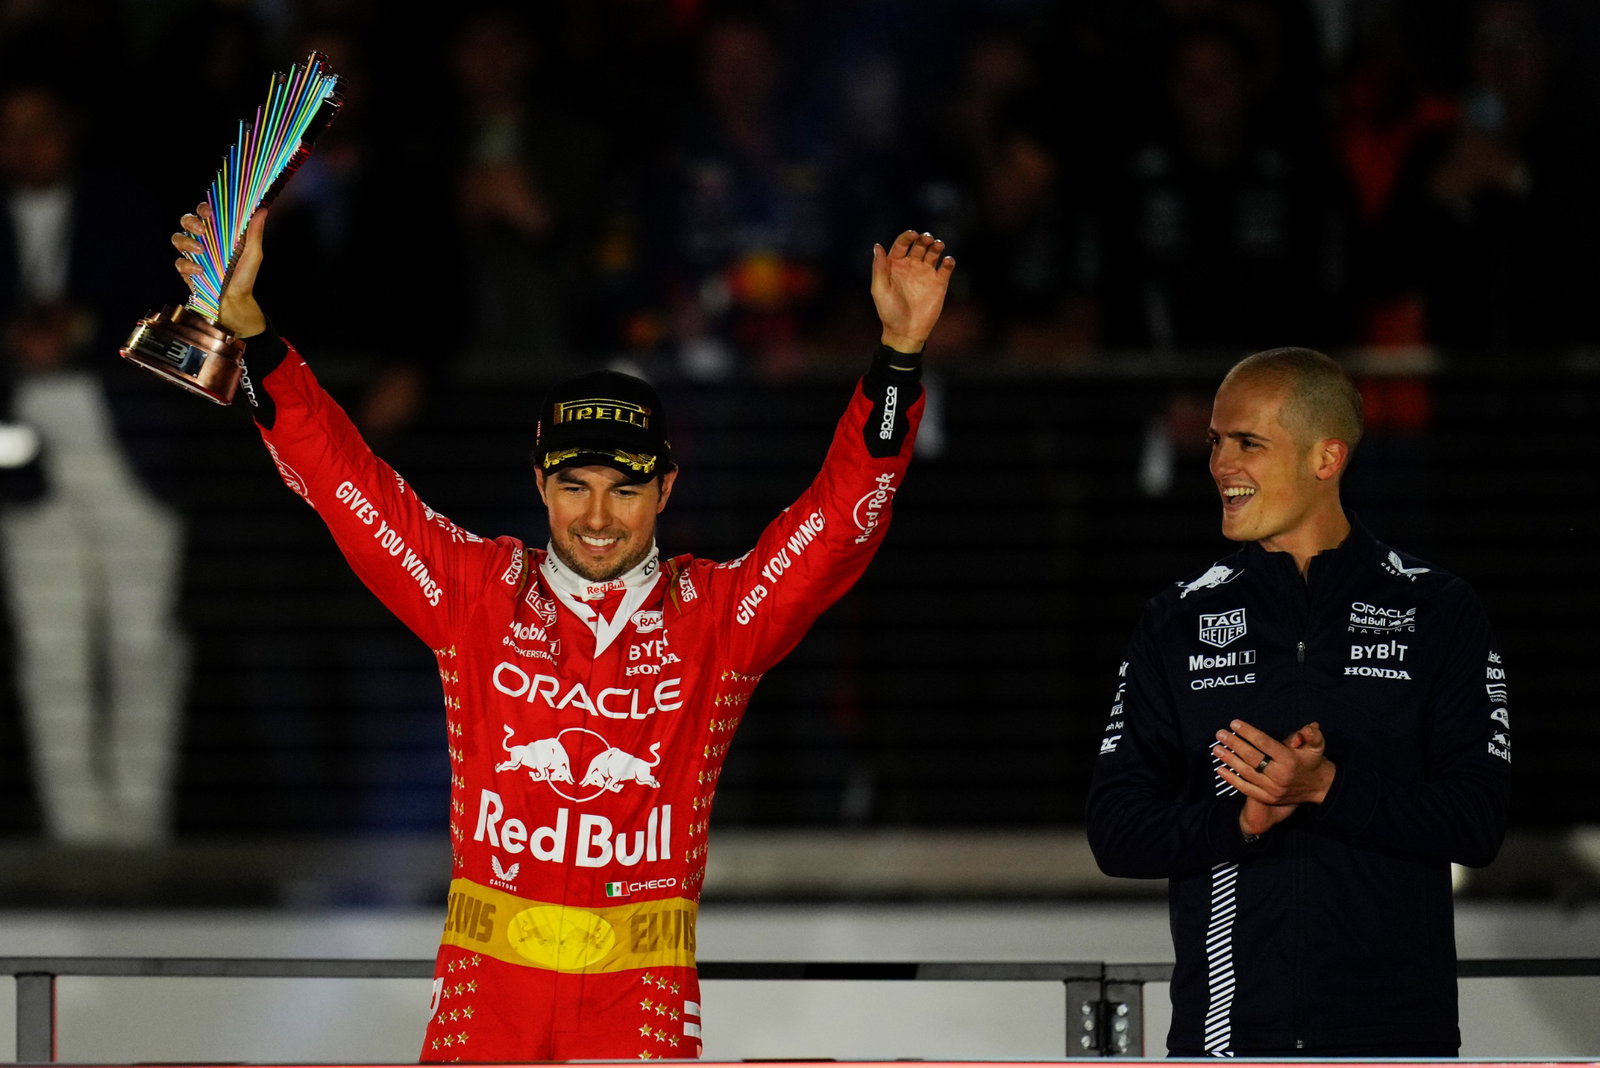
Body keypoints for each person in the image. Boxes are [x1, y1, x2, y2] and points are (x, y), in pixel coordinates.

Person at [171, 204, 953, 1060]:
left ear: (666, 490)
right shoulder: (477, 593)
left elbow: (840, 523)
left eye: (626, 489)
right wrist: (253, 332)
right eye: (575, 486)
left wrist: (898, 356)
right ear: (541, 485)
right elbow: (342, 480)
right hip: (486, 1001)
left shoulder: (717, 618)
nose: (599, 517)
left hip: (638, 1004)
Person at [1086, 347, 1510, 1057]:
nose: (1220, 464)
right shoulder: (1175, 619)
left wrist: (1328, 788)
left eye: (1247, 443)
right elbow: (1115, 830)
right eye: (1216, 441)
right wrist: (1242, 821)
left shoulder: (1439, 608)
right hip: (1225, 1044)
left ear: (1326, 458)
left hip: (1398, 1044)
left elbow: (1478, 822)